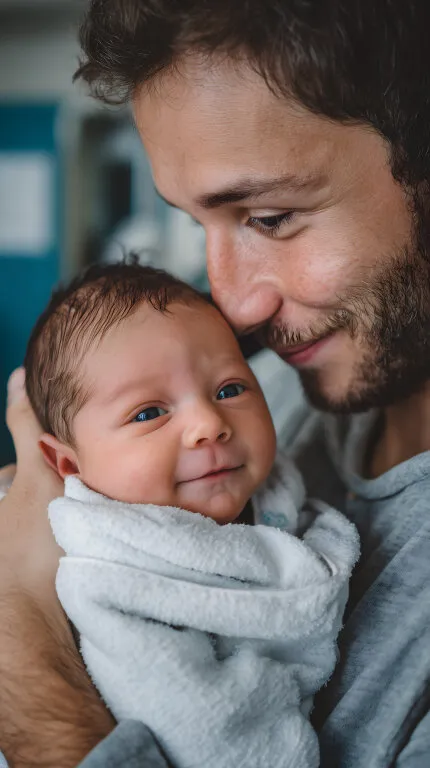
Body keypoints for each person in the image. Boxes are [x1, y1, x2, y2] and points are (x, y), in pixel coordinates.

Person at [0, 0, 430, 766]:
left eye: (269, 218)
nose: (233, 305)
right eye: (201, 225)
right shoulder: (281, 394)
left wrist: (21, 643)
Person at [10, 259, 357, 768]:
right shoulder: (111, 566)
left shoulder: (277, 493)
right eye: (149, 413)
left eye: (230, 389)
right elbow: (193, 719)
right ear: (66, 463)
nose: (208, 424)